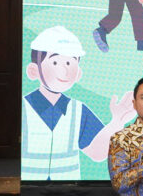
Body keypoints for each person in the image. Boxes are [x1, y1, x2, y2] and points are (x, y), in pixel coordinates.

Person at [22, 26, 135, 180]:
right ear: (33, 70)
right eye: (55, 62)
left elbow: (97, 152)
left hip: (70, 191)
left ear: (78, 74)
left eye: (70, 63)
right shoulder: (22, 109)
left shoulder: (78, 110)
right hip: (27, 189)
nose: (64, 71)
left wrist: (117, 121)